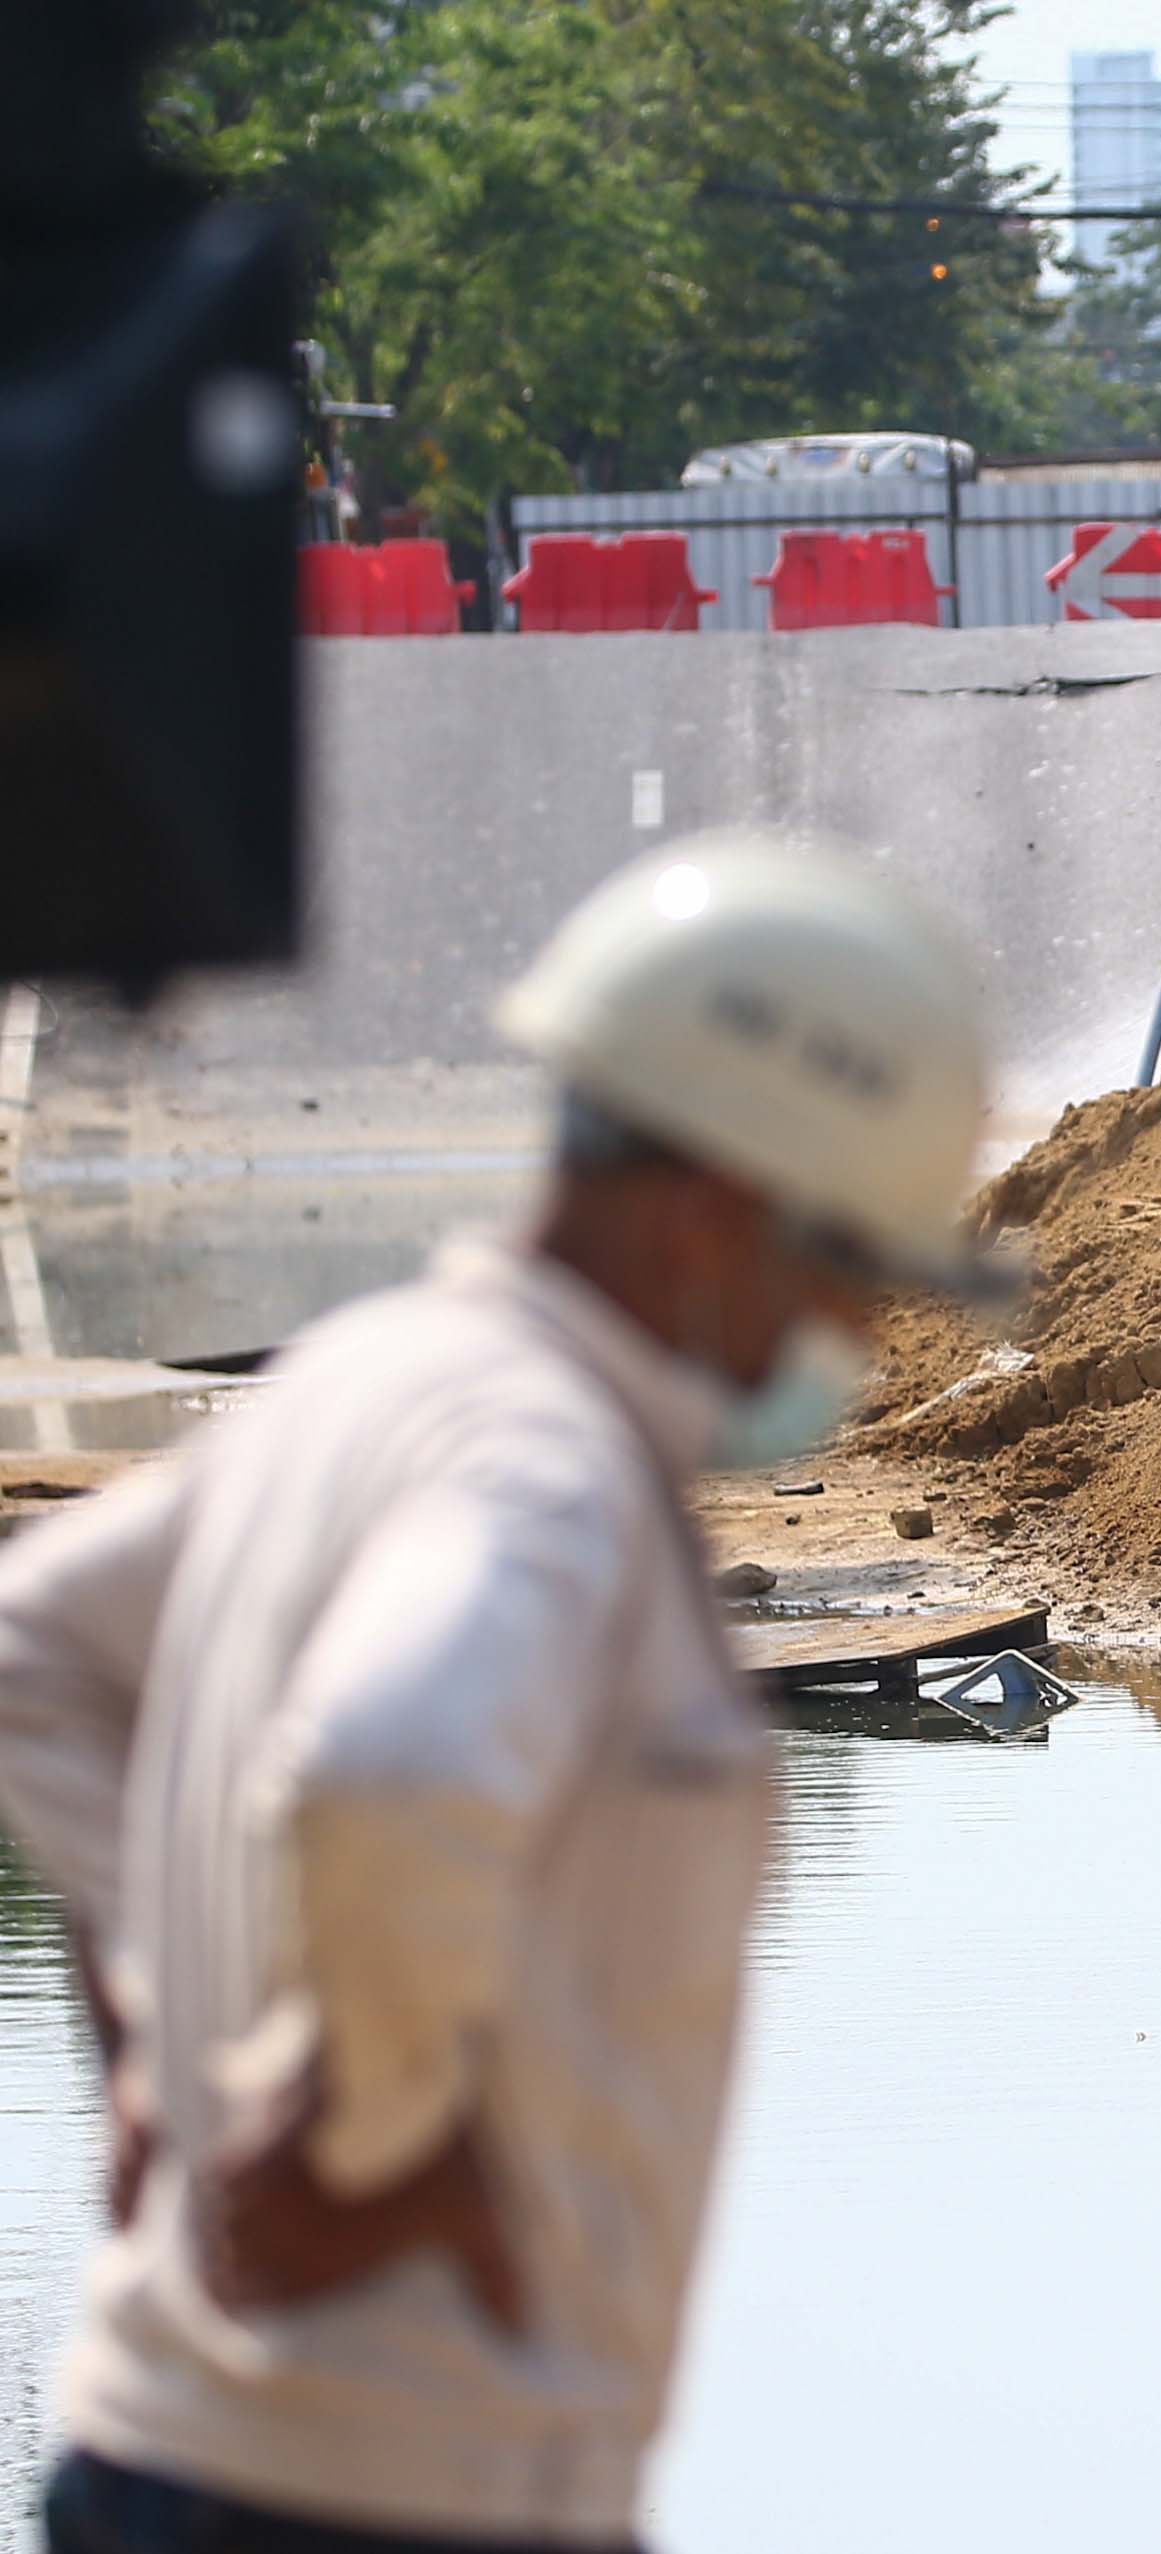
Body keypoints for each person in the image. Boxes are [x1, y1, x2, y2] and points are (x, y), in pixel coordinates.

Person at [0, 836, 1002, 2554]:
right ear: (709, 1216)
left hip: (165, 2458)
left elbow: (36, 1653)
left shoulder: (367, 1375)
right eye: (848, 1261)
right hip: (392, 2491)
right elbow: (393, 1766)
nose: (857, 1320)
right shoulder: (548, 1472)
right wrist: (363, 2135)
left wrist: (171, 2046)